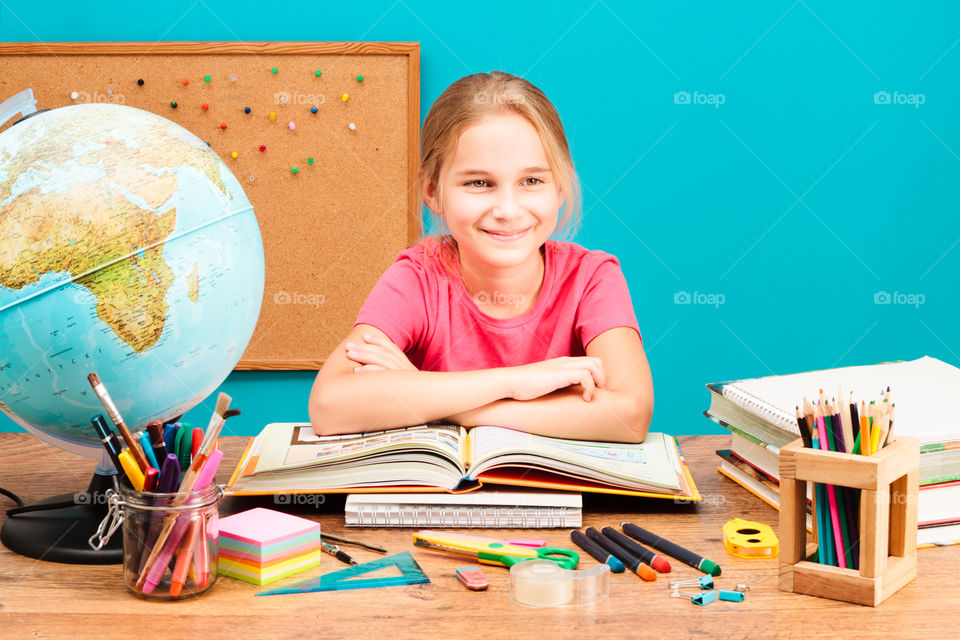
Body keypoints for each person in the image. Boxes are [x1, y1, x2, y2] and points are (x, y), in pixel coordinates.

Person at [309, 71, 652, 442]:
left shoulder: (591, 278)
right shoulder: (418, 278)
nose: (508, 210)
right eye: (479, 183)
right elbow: (329, 405)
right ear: (433, 190)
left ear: (559, 188)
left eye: (531, 181)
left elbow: (630, 415)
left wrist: (434, 398)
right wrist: (514, 382)